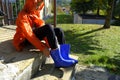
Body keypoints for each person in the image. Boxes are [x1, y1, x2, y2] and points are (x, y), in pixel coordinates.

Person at [13, 0, 78, 68]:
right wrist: (43, 48)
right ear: (30, 4)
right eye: (36, 5)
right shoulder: (22, 15)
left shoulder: (34, 12)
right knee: (48, 27)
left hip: (33, 35)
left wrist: (48, 42)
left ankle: (64, 56)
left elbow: (42, 27)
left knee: (59, 30)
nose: (37, 7)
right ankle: (58, 61)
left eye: (39, 5)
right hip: (25, 39)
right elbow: (29, 34)